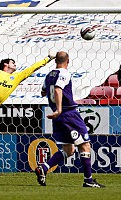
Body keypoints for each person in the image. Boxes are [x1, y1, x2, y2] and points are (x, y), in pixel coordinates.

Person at [35, 51, 104, 188]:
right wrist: (60, 108)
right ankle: (88, 180)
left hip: (59, 117)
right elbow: (58, 90)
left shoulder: (49, 75)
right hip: (69, 115)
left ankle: (44, 168)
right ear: (68, 61)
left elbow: (43, 92)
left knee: (68, 150)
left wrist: (56, 108)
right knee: (85, 145)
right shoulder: (64, 74)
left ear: (56, 61)